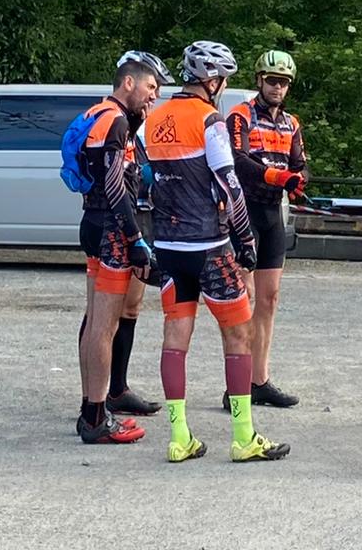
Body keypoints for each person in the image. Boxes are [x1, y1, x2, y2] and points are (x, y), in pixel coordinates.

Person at [145, 39, 289, 464]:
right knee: (239, 333)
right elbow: (230, 183)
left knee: (175, 336)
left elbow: (146, 179)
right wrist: (246, 240)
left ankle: (179, 437)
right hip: (209, 244)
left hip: (168, 246)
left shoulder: (154, 118)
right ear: (213, 81)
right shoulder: (210, 120)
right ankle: (244, 437)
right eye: (223, 79)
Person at [77, 50, 171, 445]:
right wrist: (135, 240)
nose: (154, 95)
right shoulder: (114, 120)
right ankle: (97, 418)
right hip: (111, 231)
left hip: (93, 223)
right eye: (151, 86)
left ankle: (90, 409)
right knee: (105, 325)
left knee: (95, 320)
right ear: (128, 82)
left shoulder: (99, 114)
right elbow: (116, 187)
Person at [225, 49, 308, 409]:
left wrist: (299, 181)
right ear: (259, 80)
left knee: (269, 298)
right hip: (244, 211)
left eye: (284, 83)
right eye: (272, 81)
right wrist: (278, 176)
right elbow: (238, 161)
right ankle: (236, 384)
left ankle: (259, 379)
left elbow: (300, 163)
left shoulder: (291, 123)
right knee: (243, 297)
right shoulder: (240, 115)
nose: (277, 87)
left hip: (273, 213)